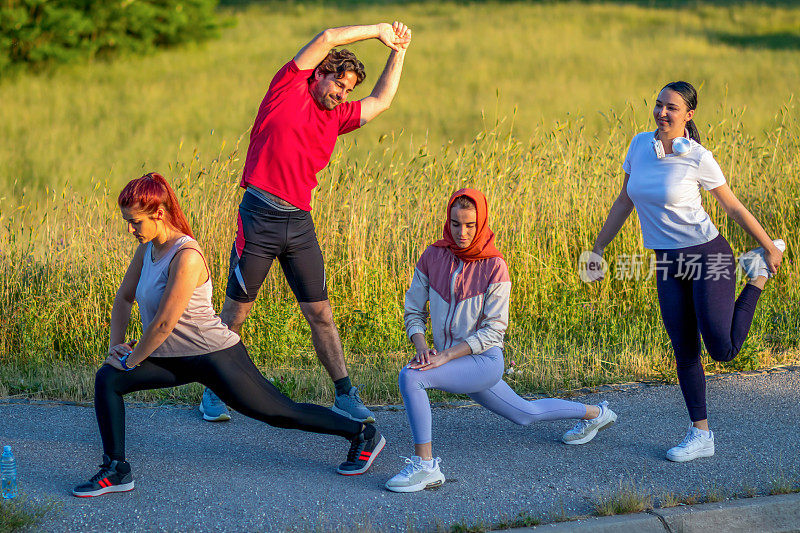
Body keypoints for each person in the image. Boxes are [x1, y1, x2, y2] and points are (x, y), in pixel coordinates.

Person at [73, 173, 385, 498]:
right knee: (108, 378)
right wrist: (116, 350)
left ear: (159, 214)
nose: (130, 230)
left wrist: (132, 359)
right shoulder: (147, 250)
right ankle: (116, 469)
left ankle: (362, 434)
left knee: (279, 412)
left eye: (135, 222)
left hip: (215, 356)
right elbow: (124, 298)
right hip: (171, 356)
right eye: (128, 222)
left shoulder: (186, 257)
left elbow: (165, 324)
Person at [200, 21, 413, 424]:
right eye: (339, 83)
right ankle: (214, 390)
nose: (342, 94)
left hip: (299, 224)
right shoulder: (287, 88)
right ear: (319, 74)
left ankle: (345, 395)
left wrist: (398, 51)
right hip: (259, 217)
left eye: (349, 89)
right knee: (235, 314)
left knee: (321, 314)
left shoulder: (338, 117)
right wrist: (380, 30)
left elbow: (381, 101)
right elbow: (329, 37)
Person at [584, 81, 785, 462]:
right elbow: (624, 200)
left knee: (723, 350)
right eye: (658, 105)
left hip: (708, 257)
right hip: (667, 261)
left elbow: (734, 208)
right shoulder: (639, 146)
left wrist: (770, 246)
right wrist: (599, 247)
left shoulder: (697, 156)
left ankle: (757, 274)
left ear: (688, 115)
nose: (662, 112)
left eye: (671, 107)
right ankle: (701, 434)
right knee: (684, 350)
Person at [385, 189, 618, 493]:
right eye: (455, 224)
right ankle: (597, 414)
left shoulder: (495, 266)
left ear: (481, 221)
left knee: (411, 378)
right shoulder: (433, 255)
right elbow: (413, 309)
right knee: (525, 414)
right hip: (453, 360)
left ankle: (426, 467)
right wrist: (421, 348)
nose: (462, 232)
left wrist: (444, 357)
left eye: (470, 224)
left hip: (483, 362)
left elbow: (493, 332)